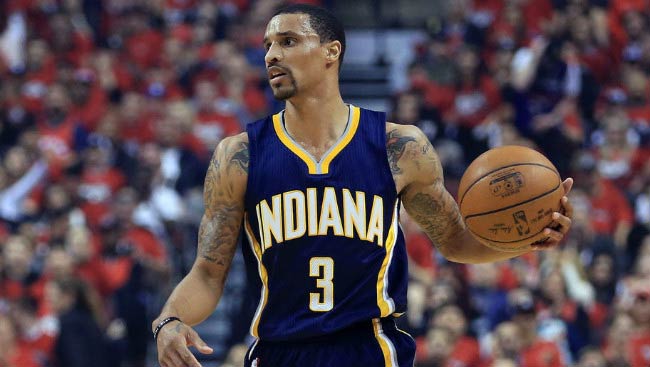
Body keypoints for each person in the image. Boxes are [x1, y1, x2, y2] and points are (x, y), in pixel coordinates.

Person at [152, 4, 574, 367]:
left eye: (288, 41)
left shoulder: (399, 147)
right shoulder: (238, 156)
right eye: (267, 45)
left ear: (331, 52)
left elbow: (455, 241)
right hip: (279, 350)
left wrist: (527, 239)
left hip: (370, 349)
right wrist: (169, 320)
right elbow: (208, 274)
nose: (271, 55)